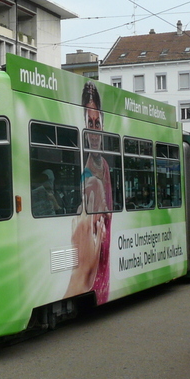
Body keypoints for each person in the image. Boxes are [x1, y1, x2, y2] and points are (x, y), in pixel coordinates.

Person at [66, 81, 112, 303]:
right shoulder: (86, 178)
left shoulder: (105, 167)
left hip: (105, 272)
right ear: (83, 129)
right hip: (93, 271)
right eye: (89, 124)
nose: (94, 131)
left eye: (97, 123)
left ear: (102, 125)